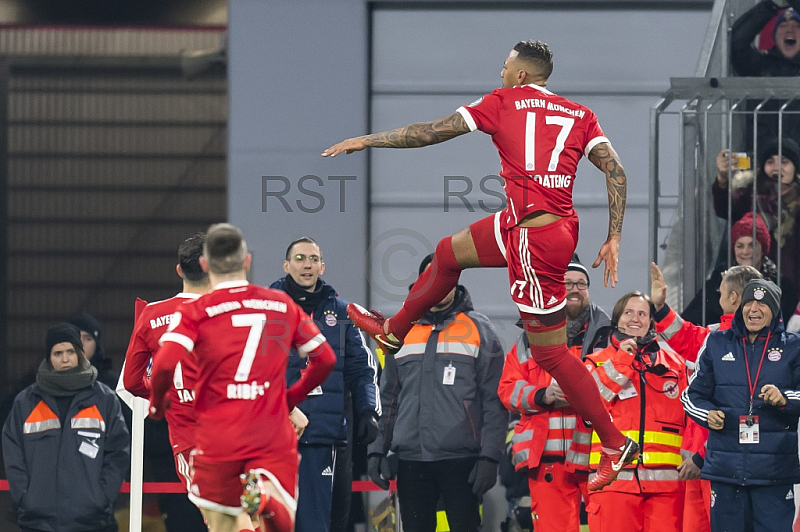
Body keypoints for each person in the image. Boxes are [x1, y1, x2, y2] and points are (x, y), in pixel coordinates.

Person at [324, 39, 638, 490]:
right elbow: (617, 171)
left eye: (506, 68)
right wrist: (614, 235)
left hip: (534, 238)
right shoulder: (580, 114)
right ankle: (394, 330)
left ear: (522, 76)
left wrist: (367, 141)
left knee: (549, 352)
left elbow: (431, 131)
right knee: (448, 253)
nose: (502, 74)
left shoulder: (501, 101)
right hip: (537, 223)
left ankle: (612, 441)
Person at [147, 223, 337, 532]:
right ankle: (266, 500)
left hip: (218, 434)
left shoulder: (197, 311)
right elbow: (325, 359)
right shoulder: (280, 304)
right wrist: (290, 398)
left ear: (206, 265)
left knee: (223, 523)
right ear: (247, 261)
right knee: (275, 511)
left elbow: (165, 365)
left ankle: (256, 509)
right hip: (270, 430)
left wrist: (157, 405)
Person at [366, 254, 506, 532]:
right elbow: (388, 398)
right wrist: (376, 450)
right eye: (431, 277)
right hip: (411, 462)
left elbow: (495, 400)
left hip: (462, 462)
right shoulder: (398, 331)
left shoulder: (480, 330)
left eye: (445, 277)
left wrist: (490, 456)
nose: (439, 284)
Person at [270, 237, 380, 532]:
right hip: (276, 436)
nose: (307, 264)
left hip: (326, 435)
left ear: (322, 266)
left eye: (313, 259)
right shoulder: (268, 308)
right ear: (286, 265)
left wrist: (368, 409)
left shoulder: (341, 312)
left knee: (326, 523)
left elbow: (361, 367)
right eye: (300, 258)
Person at [497, 255, 612, 532]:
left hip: (594, 457)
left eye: (581, 284)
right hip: (547, 461)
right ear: (556, 291)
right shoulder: (528, 339)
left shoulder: (608, 336)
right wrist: (543, 395)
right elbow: (507, 389)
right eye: (568, 283)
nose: (574, 289)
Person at [652, 263, 763, 532]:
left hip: (723, 462)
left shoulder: (755, 343)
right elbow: (687, 337)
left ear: (733, 298)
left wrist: (702, 457)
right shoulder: (717, 336)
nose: (718, 296)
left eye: (721, 291)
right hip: (700, 460)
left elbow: (744, 412)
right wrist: (661, 308)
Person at [683, 279, 800, 532]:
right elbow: (691, 396)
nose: (753, 309)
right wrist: (707, 414)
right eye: (749, 302)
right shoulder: (716, 343)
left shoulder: (794, 346)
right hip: (726, 471)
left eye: (762, 303)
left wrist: (785, 399)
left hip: (774, 473)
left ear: (775, 310)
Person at [3, 323, 130, 532]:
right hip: (38, 521)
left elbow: (118, 451)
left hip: (91, 520)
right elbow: (13, 453)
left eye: (71, 351)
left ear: (80, 354)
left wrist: (102, 497)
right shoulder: (26, 402)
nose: (65, 359)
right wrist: (25, 496)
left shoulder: (104, 399)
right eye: (57, 353)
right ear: (48, 358)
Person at [121, 232, 210, 531]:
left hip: (186, 439)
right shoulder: (229, 311)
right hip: (235, 432)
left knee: (210, 515)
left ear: (179, 270)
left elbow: (133, 381)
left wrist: (169, 394)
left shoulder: (151, 315)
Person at [583, 292, 689, 531]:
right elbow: (590, 407)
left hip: (667, 487)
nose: (635, 319)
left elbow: (689, 421)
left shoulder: (675, 364)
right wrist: (622, 360)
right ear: (617, 318)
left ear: (651, 321)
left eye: (642, 314)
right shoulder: (596, 362)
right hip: (614, 482)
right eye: (628, 312)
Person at [683, 211, 798, 325]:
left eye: (752, 245)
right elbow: (691, 319)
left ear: (763, 249)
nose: (745, 252)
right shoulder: (717, 282)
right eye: (740, 246)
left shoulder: (782, 286)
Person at [730, 2, 800, 148]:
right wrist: (771, 5)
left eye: (797, 26)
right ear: (774, 36)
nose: (790, 30)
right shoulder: (759, 66)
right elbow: (737, 42)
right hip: (763, 163)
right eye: (783, 26)